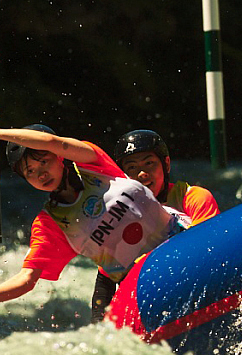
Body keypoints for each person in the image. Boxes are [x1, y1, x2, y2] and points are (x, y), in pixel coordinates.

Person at [0, 122, 187, 321]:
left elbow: (54, 142)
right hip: (143, 280)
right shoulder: (50, 224)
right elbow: (27, 279)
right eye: (30, 171)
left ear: (59, 158)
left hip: (181, 241)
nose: (41, 173)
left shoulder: (92, 163)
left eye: (43, 162)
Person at [84, 129, 223, 322]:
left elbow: (210, 254)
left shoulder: (194, 198)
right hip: (153, 303)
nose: (141, 174)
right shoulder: (120, 218)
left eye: (149, 163)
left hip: (197, 293)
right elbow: (105, 280)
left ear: (166, 164)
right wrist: (98, 326)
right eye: (132, 167)